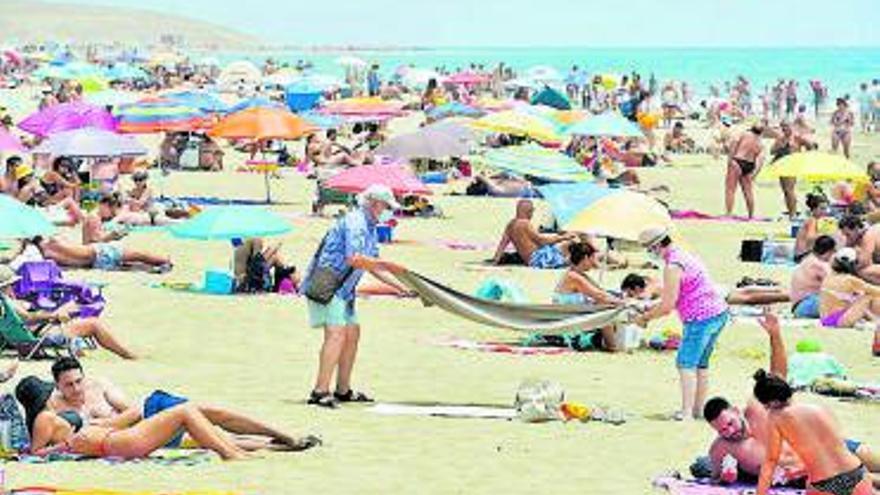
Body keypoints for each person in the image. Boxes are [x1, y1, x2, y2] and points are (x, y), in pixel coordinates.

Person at [703, 313, 880, 489]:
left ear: (735, 410)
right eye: (722, 430)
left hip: (831, 449)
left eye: (730, 423)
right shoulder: (721, 449)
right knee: (863, 479)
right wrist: (727, 477)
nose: (729, 431)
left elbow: (778, 374)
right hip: (814, 473)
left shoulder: (759, 408)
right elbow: (716, 480)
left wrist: (775, 335)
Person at [44, 357, 318, 452]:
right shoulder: (55, 409)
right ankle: (285, 447)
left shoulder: (98, 385)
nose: (77, 388)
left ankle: (284, 435)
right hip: (141, 435)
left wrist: (106, 423)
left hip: (150, 412)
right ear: (58, 386)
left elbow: (134, 409)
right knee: (215, 439)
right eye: (69, 385)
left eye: (79, 381)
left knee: (216, 415)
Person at [300, 185, 413, 409]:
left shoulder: (370, 226)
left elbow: (373, 265)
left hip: (345, 289)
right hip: (329, 283)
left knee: (352, 333)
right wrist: (389, 265)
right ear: (374, 203)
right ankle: (320, 391)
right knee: (336, 333)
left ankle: (343, 390)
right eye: (386, 206)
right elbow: (354, 258)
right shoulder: (355, 222)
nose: (387, 211)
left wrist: (400, 288)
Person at [17, 376, 250, 461]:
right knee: (188, 413)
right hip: (113, 441)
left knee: (192, 419)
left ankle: (241, 450)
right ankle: (233, 454)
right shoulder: (44, 418)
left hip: (113, 437)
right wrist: (66, 445)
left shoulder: (50, 415)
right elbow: (36, 453)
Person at [634, 227, 729, 421]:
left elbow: (667, 305)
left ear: (657, 245)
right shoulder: (684, 255)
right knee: (700, 364)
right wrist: (651, 307)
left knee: (685, 364)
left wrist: (645, 318)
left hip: (700, 318)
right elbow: (675, 295)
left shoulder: (673, 266)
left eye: (648, 248)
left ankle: (686, 413)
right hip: (717, 312)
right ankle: (698, 409)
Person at [753, 370, 874, 495]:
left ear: (771, 402)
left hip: (824, 484)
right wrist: (798, 471)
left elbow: (771, 461)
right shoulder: (819, 409)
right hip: (856, 473)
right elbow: (831, 451)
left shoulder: (775, 418)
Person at [0, 265, 137, 359]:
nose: (13, 287)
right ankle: (128, 355)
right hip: (39, 335)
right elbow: (29, 317)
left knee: (76, 315)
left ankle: (125, 354)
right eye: (11, 284)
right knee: (94, 325)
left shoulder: (5, 303)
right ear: (4, 286)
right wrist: (54, 315)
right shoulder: (6, 302)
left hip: (28, 335)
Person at [552, 242, 624, 352]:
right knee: (604, 308)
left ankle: (612, 343)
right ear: (586, 258)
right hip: (568, 323)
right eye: (593, 259)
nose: (594, 263)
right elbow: (600, 296)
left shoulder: (578, 274)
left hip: (574, 318)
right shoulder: (573, 277)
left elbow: (602, 292)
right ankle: (612, 347)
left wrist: (621, 300)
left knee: (608, 305)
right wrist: (623, 303)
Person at [492, 199, 578, 269]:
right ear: (529, 211)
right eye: (532, 211)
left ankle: (573, 261)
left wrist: (496, 259)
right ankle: (579, 262)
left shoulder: (510, 224)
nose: (532, 214)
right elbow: (542, 241)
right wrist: (562, 237)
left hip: (530, 260)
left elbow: (502, 244)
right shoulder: (525, 224)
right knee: (570, 244)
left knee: (565, 247)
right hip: (539, 259)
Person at [818, 247, 880, 328]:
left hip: (825, 320)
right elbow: (875, 291)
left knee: (856, 298)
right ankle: (876, 320)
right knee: (867, 298)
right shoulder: (850, 280)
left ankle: (874, 320)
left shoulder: (829, 277)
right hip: (838, 321)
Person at [790, 235, 836, 319]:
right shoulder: (820, 265)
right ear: (830, 252)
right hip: (807, 305)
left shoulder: (807, 259)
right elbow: (837, 283)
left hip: (799, 306)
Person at [725, 125, 765, 219]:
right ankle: (751, 215)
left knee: (730, 189)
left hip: (738, 161)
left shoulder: (744, 134)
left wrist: (730, 161)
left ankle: (729, 213)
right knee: (748, 191)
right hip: (750, 164)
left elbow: (733, 144)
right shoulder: (760, 142)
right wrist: (754, 174)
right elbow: (761, 160)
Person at [838, 215, 880, 284]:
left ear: (856, 229)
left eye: (848, 235)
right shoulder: (856, 234)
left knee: (862, 272)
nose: (846, 238)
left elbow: (865, 262)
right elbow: (844, 253)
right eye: (844, 235)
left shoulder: (867, 235)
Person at [770, 121, 800, 218]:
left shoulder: (797, 137)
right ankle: (790, 211)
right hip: (782, 166)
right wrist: (780, 147)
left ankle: (793, 213)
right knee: (786, 191)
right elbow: (772, 151)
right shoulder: (780, 139)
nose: (784, 129)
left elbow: (811, 145)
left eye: (786, 126)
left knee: (789, 190)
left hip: (792, 166)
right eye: (783, 127)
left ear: (792, 126)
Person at [794, 193, 833, 259]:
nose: (824, 212)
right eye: (822, 209)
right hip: (802, 256)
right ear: (814, 209)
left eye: (825, 209)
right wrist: (827, 234)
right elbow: (810, 238)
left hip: (802, 255)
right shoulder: (812, 220)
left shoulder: (815, 220)